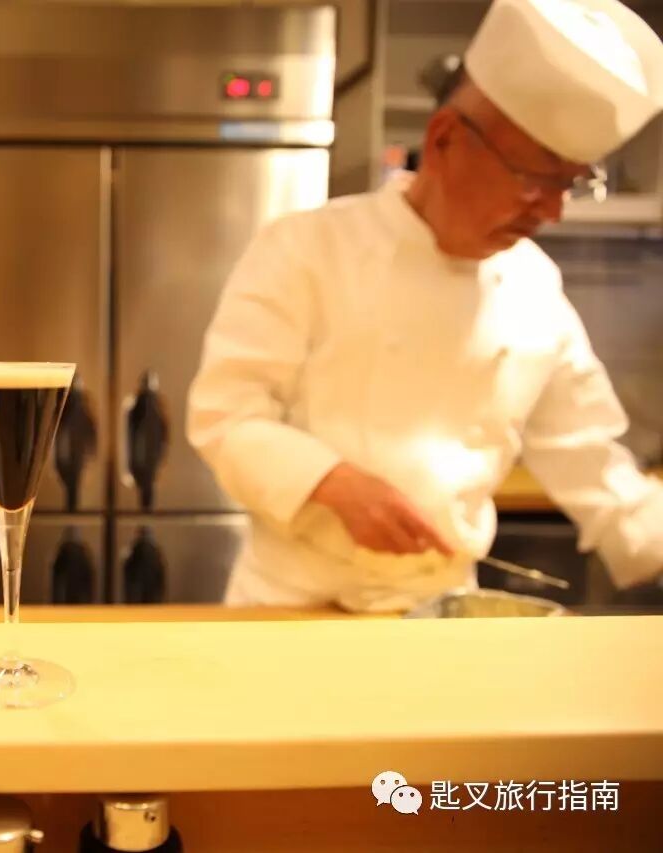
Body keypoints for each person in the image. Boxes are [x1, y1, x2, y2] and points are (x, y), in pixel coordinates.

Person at [187, 0, 663, 611]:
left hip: (443, 609)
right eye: (534, 180)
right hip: (289, 605)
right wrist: (331, 482)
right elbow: (225, 415)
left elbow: (592, 461)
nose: (551, 212)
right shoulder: (306, 247)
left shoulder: (534, 288)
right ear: (445, 139)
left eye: (567, 185)